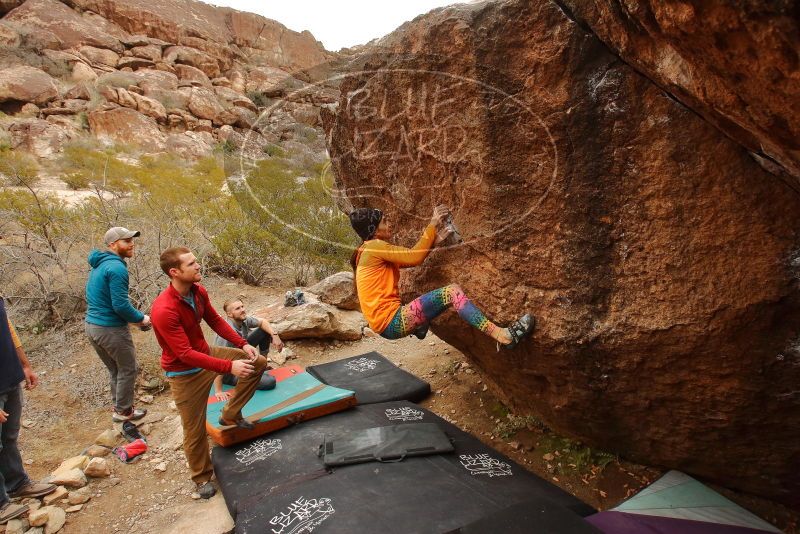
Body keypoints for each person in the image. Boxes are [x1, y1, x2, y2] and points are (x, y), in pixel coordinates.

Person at [150, 247, 267, 499]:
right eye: (191, 264)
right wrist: (228, 367)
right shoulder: (163, 309)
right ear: (174, 272)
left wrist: (242, 343)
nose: (198, 266)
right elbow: (184, 353)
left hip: (207, 353)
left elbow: (215, 320)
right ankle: (201, 477)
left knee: (258, 362)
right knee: (193, 430)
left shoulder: (198, 291)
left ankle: (230, 414)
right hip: (184, 373)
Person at [349, 206, 534, 348]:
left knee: (432, 297)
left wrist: (433, 242)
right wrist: (433, 224)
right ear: (374, 230)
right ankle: (503, 336)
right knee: (451, 293)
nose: (389, 224)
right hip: (392, 322)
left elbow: (411, 261)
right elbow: (414, 256)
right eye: (384, 221)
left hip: (385, 324)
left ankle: (421, 324)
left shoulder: (366, 251)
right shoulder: (376, 247)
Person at [85, 227, 150, 423]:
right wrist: (141, 319)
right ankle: (124, 412)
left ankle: (120, 409)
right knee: (128, 368)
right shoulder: (116, 268)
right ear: (113, 244)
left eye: (132, 240)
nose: (131, 244)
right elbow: (120, 305)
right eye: (126, 241)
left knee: (116, 370)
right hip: (110, 328)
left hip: (92, 326)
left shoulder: (100, 265)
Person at [1, 301, 56, 525]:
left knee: (9, 437)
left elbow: (8, 327)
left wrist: (24, 364)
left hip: (10, 375)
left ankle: (17, 484)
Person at [212, 299, 284, 401]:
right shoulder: (226, 333)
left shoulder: (243, 320)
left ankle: (262, 364)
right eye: (238, 308)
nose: (242, 310)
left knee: (263, 331)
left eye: (242, 306)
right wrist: (218, 391)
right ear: (230, 314)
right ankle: (252, 371)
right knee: (270, 382)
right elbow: (218, 360)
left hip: (241, 353)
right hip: (230, 371)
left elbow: (263, 322)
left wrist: (274, 335)